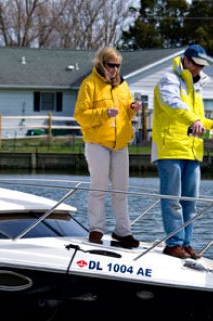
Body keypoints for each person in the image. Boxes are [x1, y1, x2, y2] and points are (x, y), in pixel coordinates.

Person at [151, 44, 213, 259]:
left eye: (202, 66)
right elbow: (174, 105)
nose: (199, 69)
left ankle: (186, 244)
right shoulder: (169, 80)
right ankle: (174, 244)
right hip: (170, 148)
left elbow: (196, 116)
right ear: (186, 60)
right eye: (196, 64)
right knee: (172, 200)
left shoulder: (197, 87)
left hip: (192, 150)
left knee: (190, 202)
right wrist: (196, 120)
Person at [74, 47, 140, 247]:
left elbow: (125, 115)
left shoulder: (123, 86)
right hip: (97, 143)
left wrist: (132, 110)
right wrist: (103, 113)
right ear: (102, 63)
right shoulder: (89, 84)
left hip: (120, 144)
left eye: (118, 65)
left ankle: (122, 232)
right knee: (99, 187)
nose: (115, 69)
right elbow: (80, 115)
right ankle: (96, 230)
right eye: (111, 65)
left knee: (121, 190)